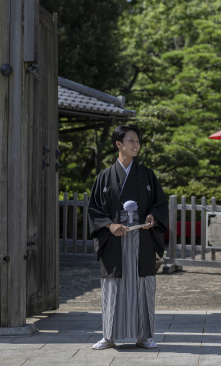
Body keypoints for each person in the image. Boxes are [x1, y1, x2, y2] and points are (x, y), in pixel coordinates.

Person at [87, 124, 168, 350]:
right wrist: (110, 225)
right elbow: (94, 211)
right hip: (114, 240)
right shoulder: (104, 177)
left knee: (143, 286)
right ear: (118, 144)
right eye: (130, 141)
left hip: (141, 239)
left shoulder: (147, 175)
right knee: (113, 286)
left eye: (137, 141)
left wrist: (152, 216)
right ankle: (109, 335)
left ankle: (144, 336)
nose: (136, 145)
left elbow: (160, 204)